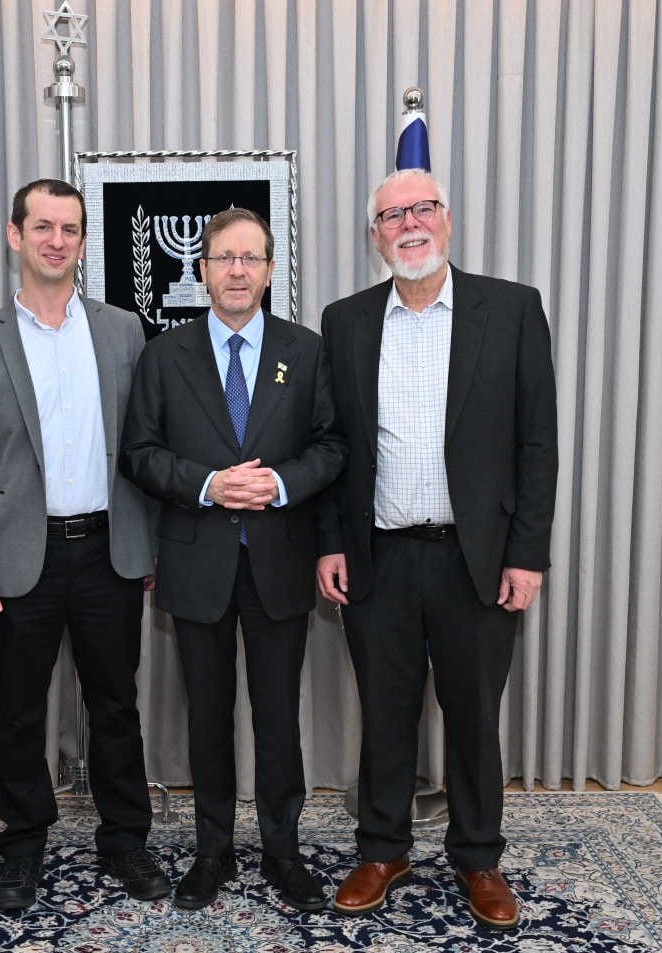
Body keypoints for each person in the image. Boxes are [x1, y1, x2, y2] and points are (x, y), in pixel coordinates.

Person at [318, 168, 558, 929]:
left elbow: (536, 442)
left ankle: (478, 857)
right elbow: (334, 446)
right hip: (379, 557)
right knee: (385, 712)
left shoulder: (512, 309)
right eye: (392, 215)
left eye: (422, 208)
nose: (409, 224)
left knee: (473, 712)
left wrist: (527, 552)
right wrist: (330, 543)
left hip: (475, 558)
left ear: (447, 220)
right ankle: (382, 847)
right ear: (375, 236)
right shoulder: (346, 320)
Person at [0, 178, 167, 912]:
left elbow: (143, 448)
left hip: (109, 552)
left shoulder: (122, 330)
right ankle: (23, 845)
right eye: (41, 226)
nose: (55, 241)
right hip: (19, 559)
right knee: (18, 711)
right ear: (15, 235)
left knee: (114, 704)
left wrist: (152, 545)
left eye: (69, 229)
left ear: (82, 240)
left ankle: (126, 839)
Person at [120, 208, 346, 912]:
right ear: (204, 269)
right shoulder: (165, 354)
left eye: (252, 258)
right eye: (225, 258)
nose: (239, 271)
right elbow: (139, 453)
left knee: (279, 717)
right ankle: (211, 851)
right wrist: (209, 484)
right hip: (196, 566)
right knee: (208, 718)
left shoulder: (305, 352)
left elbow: (333, 446)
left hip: (279, 561)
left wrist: (278, 484)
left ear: (271, 270)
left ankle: (283, 849)